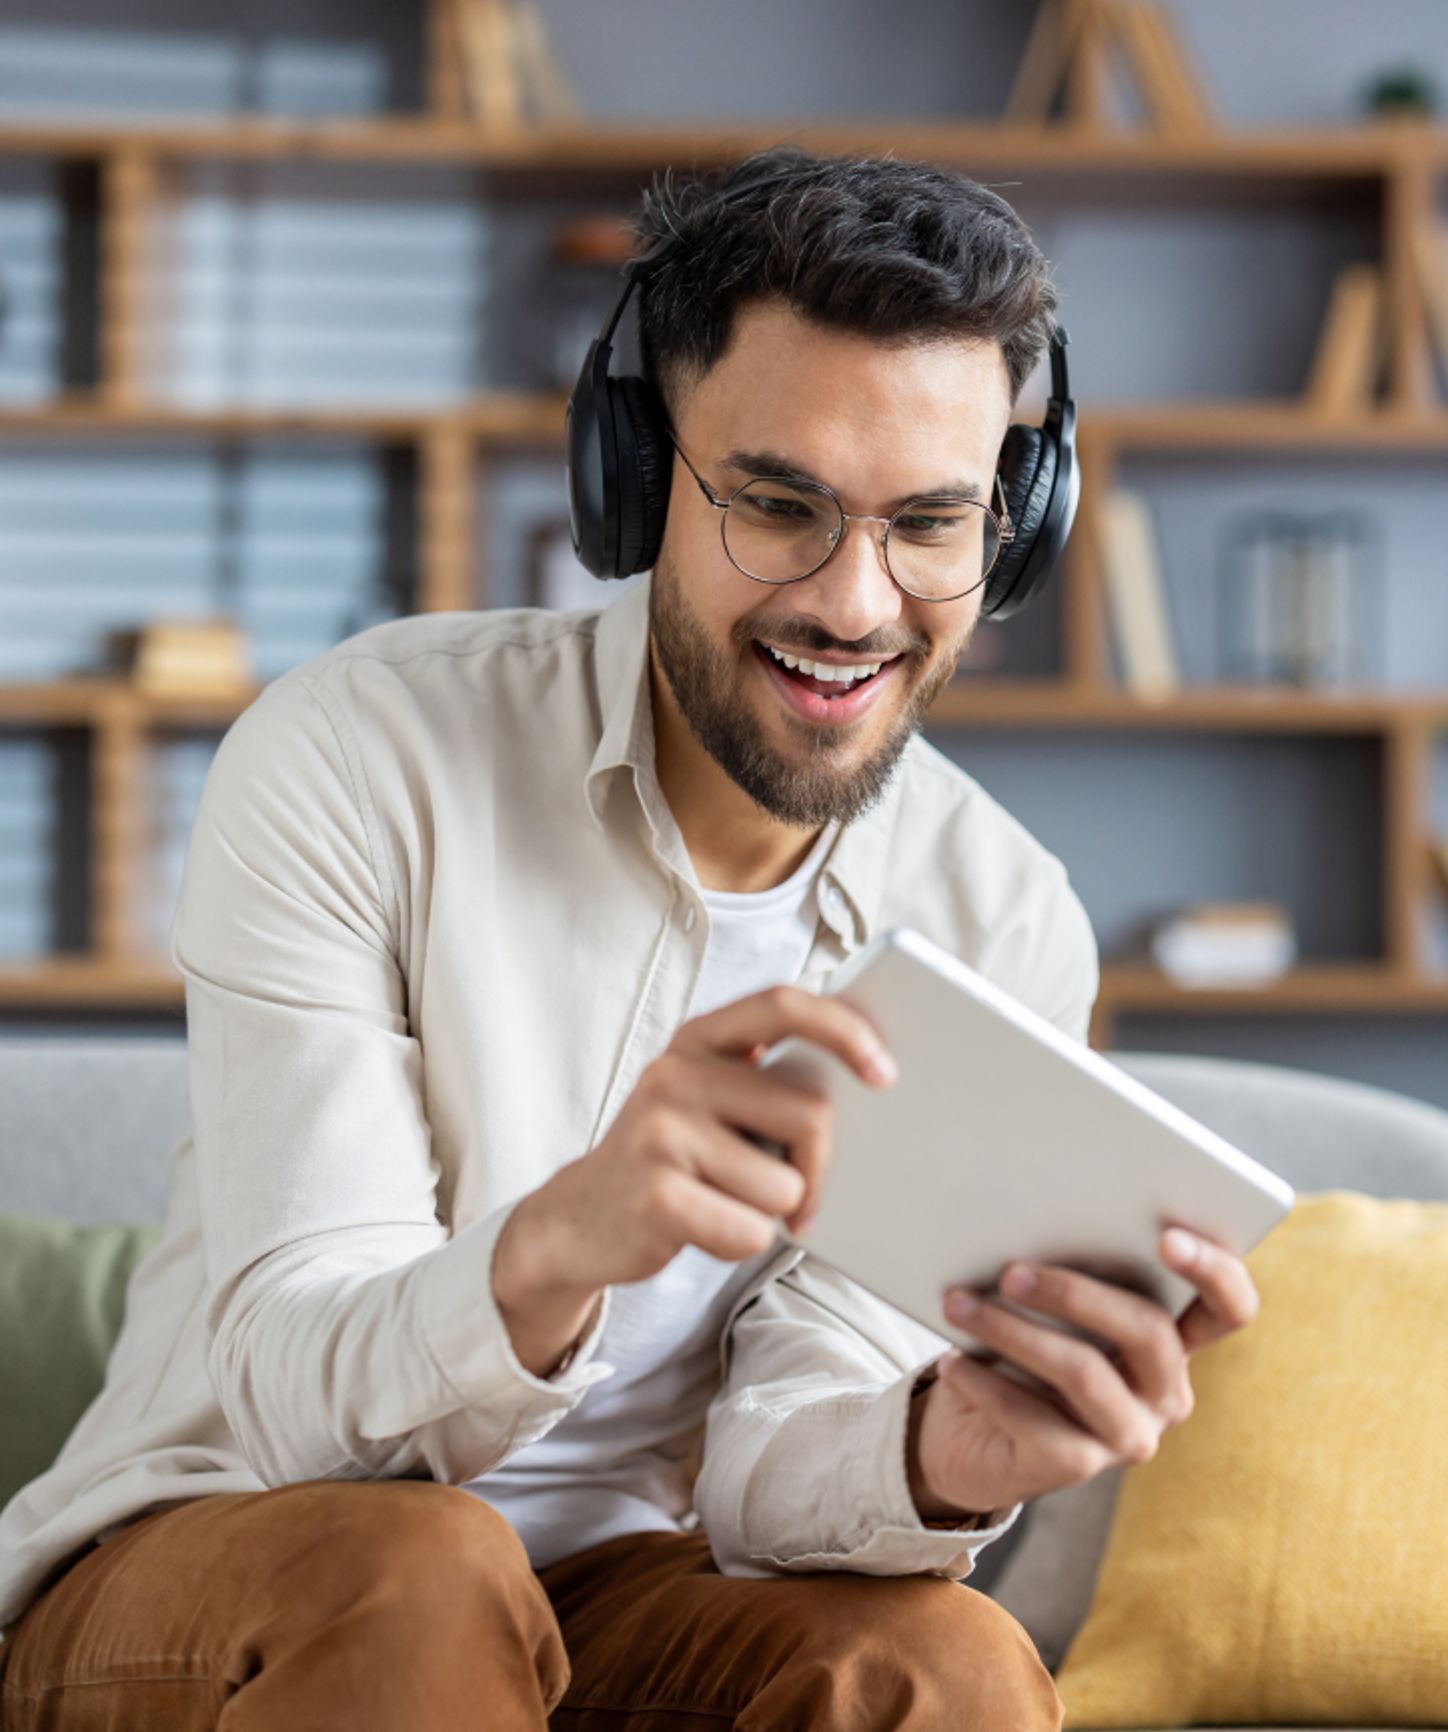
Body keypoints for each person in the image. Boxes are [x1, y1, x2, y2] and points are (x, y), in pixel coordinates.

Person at [0, 145, 1258, 1731]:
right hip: (227, 1556)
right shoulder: (357, 758)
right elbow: (297, 1406)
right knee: (426, 1574)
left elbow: (772, 1469)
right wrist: (562, 1243)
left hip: (619, 1591)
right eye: (780, 505)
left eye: (932, 523)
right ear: (635, 478)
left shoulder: (1000, 914)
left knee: (942, 1661)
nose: (856, 605)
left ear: (1010, 529)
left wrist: (940, 1451)